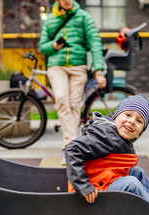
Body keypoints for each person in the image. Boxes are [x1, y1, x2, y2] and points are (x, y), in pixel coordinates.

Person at [38, 0, 106, 165]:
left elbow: (95, 43)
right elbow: (42, 47)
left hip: (78, 67)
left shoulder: (84, 17)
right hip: (56, 66)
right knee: (62, 98)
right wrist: (54, 45)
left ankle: (69, 147)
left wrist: (98, 70)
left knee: (75, 104)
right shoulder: (51, 19)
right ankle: (71, 146)